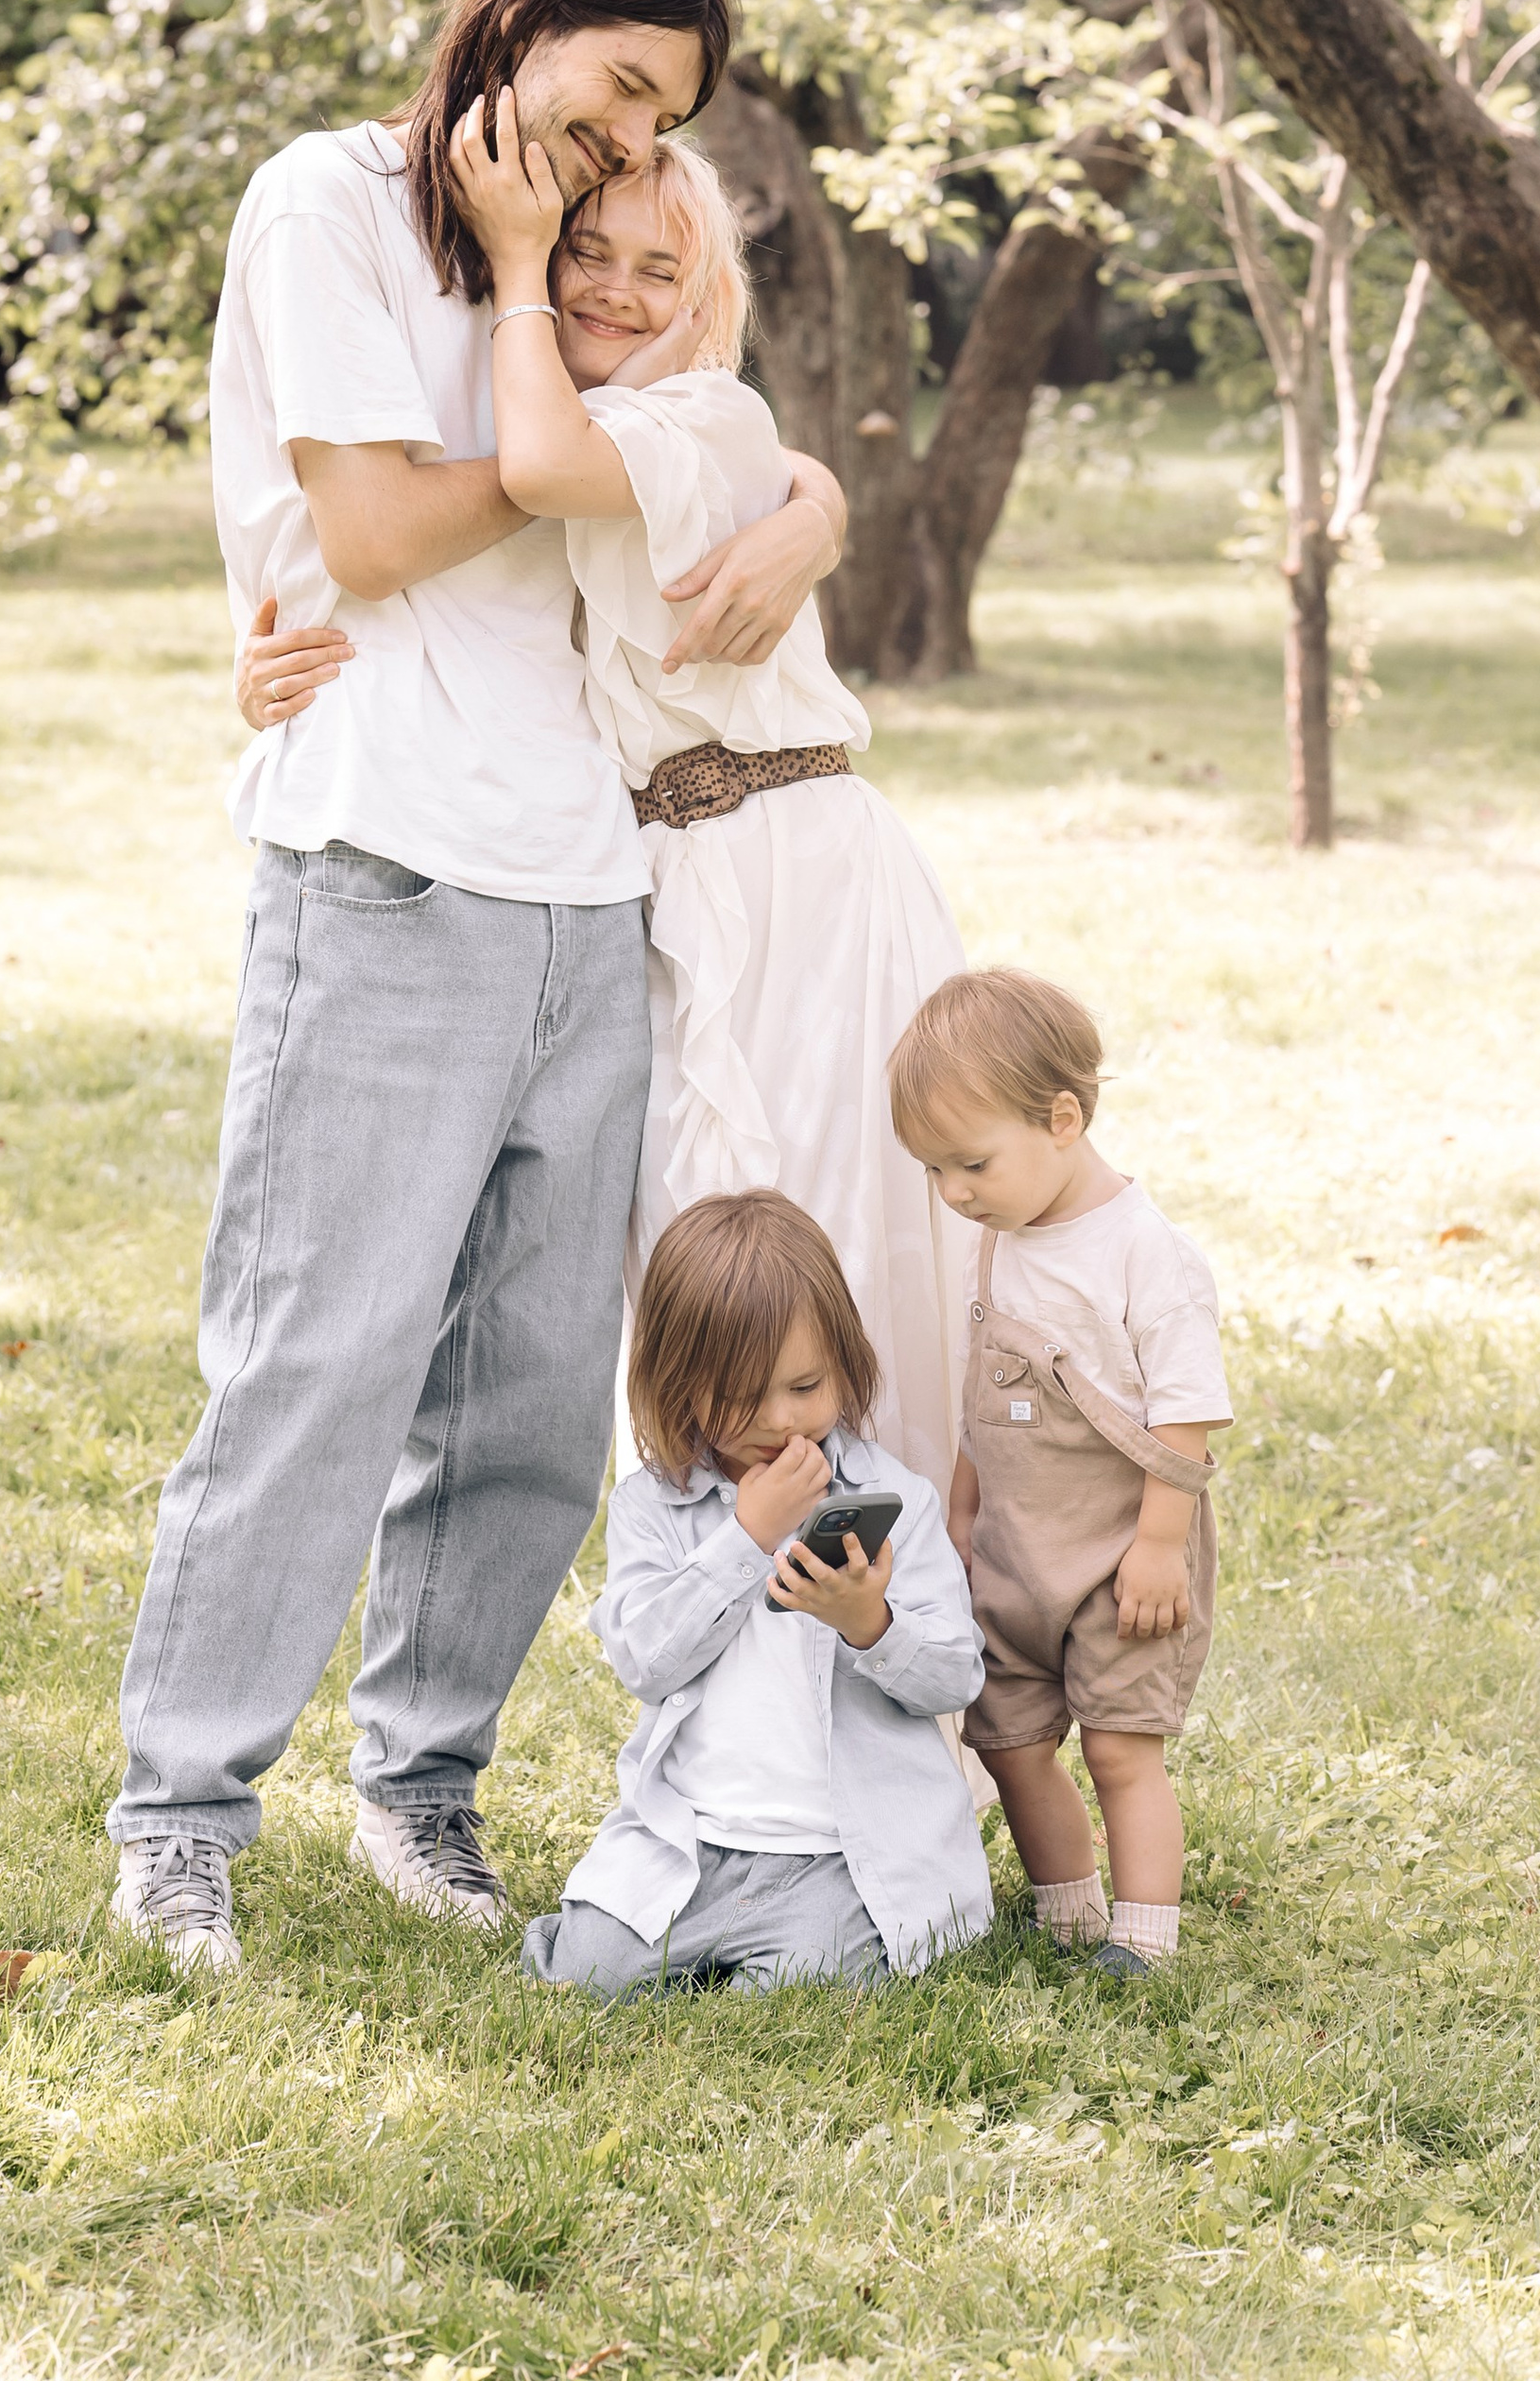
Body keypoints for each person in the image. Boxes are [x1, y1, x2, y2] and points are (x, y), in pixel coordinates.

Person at [107, 0, 845, 1978]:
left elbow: (717, 442)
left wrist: (797, 497)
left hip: (595, 896)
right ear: (514, 22)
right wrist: (560, 403)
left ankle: (419, 1787)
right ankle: (180, 1812)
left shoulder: (597, 275)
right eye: (615, 91)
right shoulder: (328, 206)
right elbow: (372, 532)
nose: (629, 152)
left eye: (663, 122)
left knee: (527, 1402)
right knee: (315, 1366)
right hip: (387, 867)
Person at [440, 105, 970, 1486]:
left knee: (840, 1237)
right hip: (673, 888)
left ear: (704, 297)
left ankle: (895, 1631)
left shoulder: (705, 416)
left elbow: (552, 464)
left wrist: (512, 267)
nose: (615, 288)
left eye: (657, 270)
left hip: (801, 867)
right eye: (584, 253)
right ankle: (722, 1639)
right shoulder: (576, 428)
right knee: (698, 1262)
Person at [522, 1191, 991, 1997]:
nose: (780, 1420)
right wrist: (745, 1535)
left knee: (802, 1992)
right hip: (689, 1845)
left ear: (845, 1362)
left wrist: (868, 1624)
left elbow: (957, 1676)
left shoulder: (896, 1501)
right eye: (742, 1394)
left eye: (806, 1385)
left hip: (839, 1855)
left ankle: (807, 1949)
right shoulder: (652, 1507)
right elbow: (644, 1658)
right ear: (681, 1385)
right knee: (584, 1976)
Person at [890, 967, 1229, 1978]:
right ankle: (1066, 1908)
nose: (953, 1193)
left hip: (1123, 1556)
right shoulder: (998, 1239)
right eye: (933, 1172)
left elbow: (1187, 1413)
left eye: (971, 1163)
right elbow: (984, 1387)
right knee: (1008, 1734)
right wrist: (961, 1499)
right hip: (1014, 1547)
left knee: (1121, 1746)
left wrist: (1159, 1547)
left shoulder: (1142, 1251)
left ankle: (1142, 1935)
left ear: (1063, 1118)